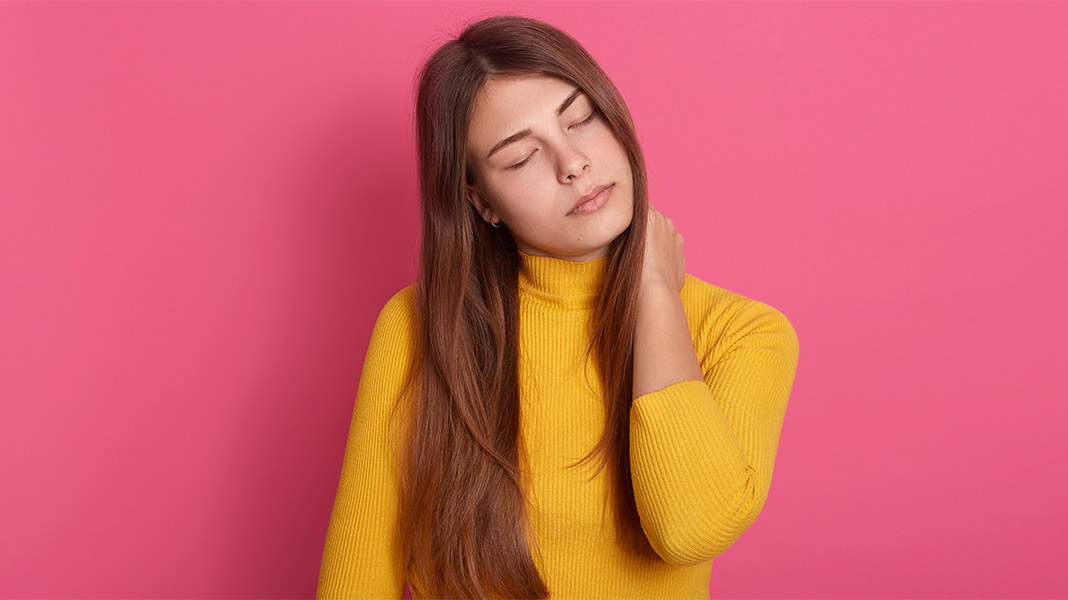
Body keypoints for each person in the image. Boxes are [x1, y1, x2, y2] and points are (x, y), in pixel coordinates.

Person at [316, 14, 799, 600]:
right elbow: (357, 577)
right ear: (481, 202)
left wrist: (655, 295)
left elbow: (690, 530)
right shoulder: (419, 327)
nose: (573, 164)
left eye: (581, 120)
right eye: (520, 158)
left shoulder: (743, 333)